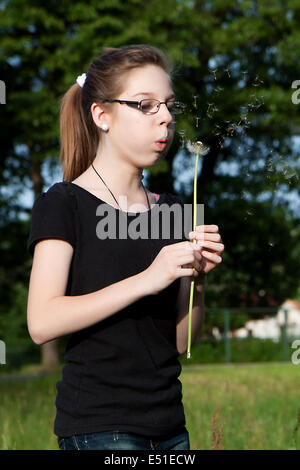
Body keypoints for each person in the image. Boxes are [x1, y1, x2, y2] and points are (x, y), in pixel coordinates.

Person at [26, 44, 224, 451]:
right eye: (145, 105)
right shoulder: (65, 203)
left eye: (169, 105)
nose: (166, 118)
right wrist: (148, 279)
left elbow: (182, 341)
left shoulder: (174, 211)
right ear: (102, 116)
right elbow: (41, 321)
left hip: (171, 428)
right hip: (100, 428)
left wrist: (199, 282)